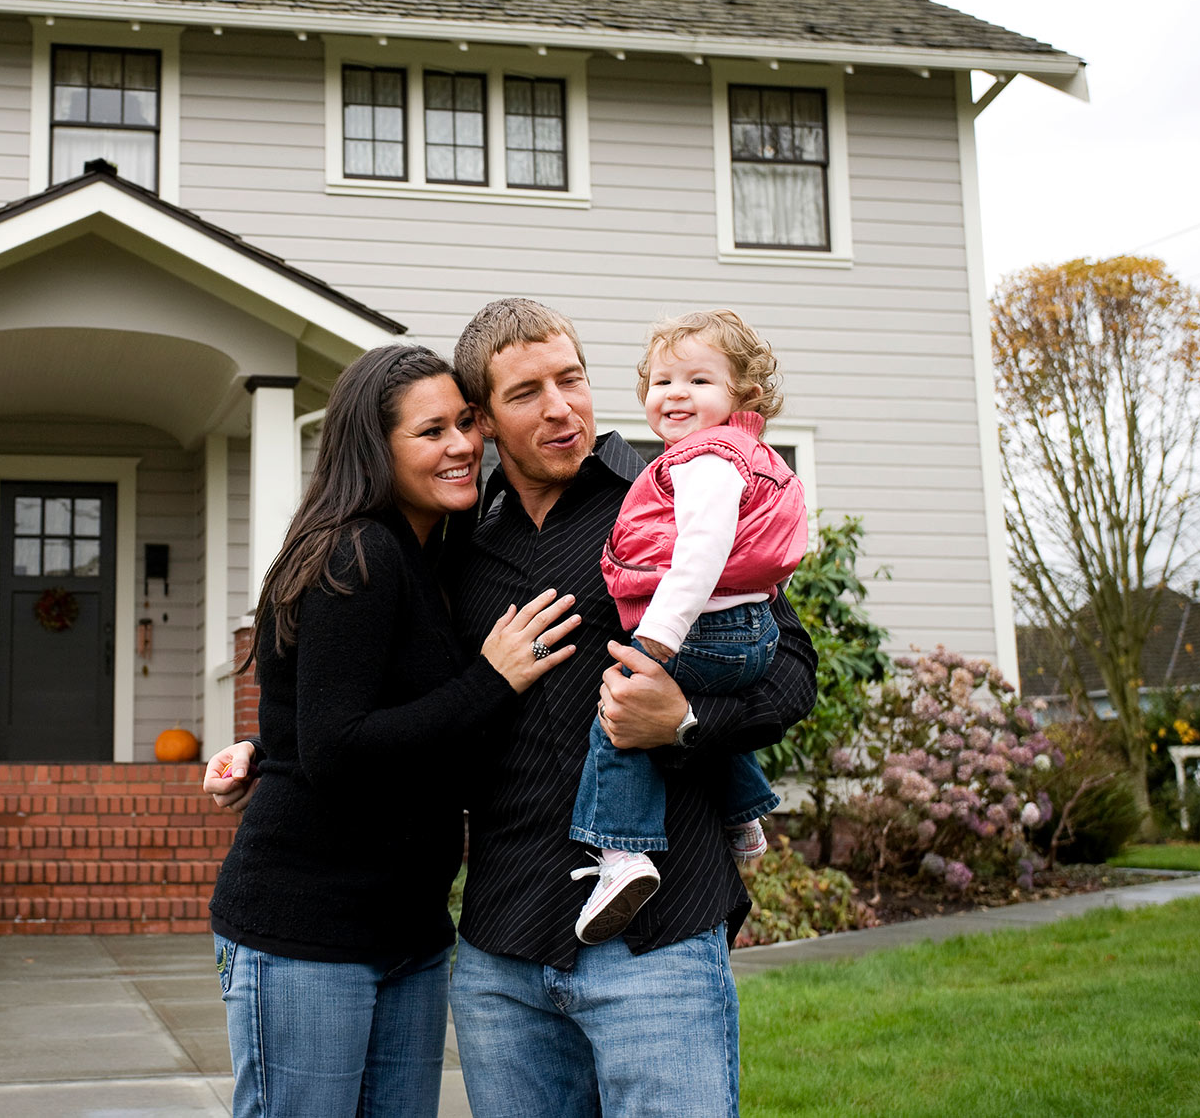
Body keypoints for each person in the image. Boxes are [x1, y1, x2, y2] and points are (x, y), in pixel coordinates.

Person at [208, 299, 816, 1118]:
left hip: (655, 937)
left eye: (571, 378)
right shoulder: (459, 542)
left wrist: (683, 722)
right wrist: (271, 744)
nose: (560, 406)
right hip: (503, 945)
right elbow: (379, 693)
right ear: (486, 421)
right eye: (526, 393)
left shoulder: (668, 498)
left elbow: (791, 670)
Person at [207, 342, 579, 1118]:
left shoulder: (428, 557)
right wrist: (492, 678)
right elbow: (338, 748)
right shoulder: (358, 551)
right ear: (376, 450)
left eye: (466, 423)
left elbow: (333, 713)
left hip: (406, 931)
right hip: (310, 926)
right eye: (431, 431)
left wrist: (264, 750)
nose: (461, 446)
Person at [568, 309, 809, 945]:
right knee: (676, 711)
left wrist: (656, 640)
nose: (676, 394)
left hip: (709, 628)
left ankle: (622, 854)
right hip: (742, 629)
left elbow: (699, 555)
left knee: (620, 707)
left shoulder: (706, 459)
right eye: (663, 380)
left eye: (699, 381)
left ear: (742, 397)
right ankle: (744, 813)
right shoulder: (730, 453)